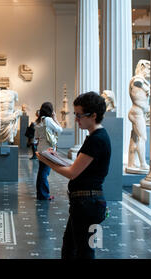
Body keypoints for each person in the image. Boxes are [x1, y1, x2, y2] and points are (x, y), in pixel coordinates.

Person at [37, 91, 110, 259]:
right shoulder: (96, 136)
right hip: (86, 203)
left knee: (81, 252)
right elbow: (78, 166)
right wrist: (56, 157)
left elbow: (72, 173)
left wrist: (45, 160)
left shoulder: (96, 139)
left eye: (79, 115)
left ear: (93, 115)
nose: (76, 119)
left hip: (88, 204)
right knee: (72, 249)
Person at [34, 102, 62, 200]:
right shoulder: (49, 120)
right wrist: (55, 118)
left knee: (42, 171)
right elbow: (60, 129)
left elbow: (36, 137)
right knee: (44, 172)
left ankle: (40, 193)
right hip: (48, 150)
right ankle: (44, 194)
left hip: (41, 149)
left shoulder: (38, 121)